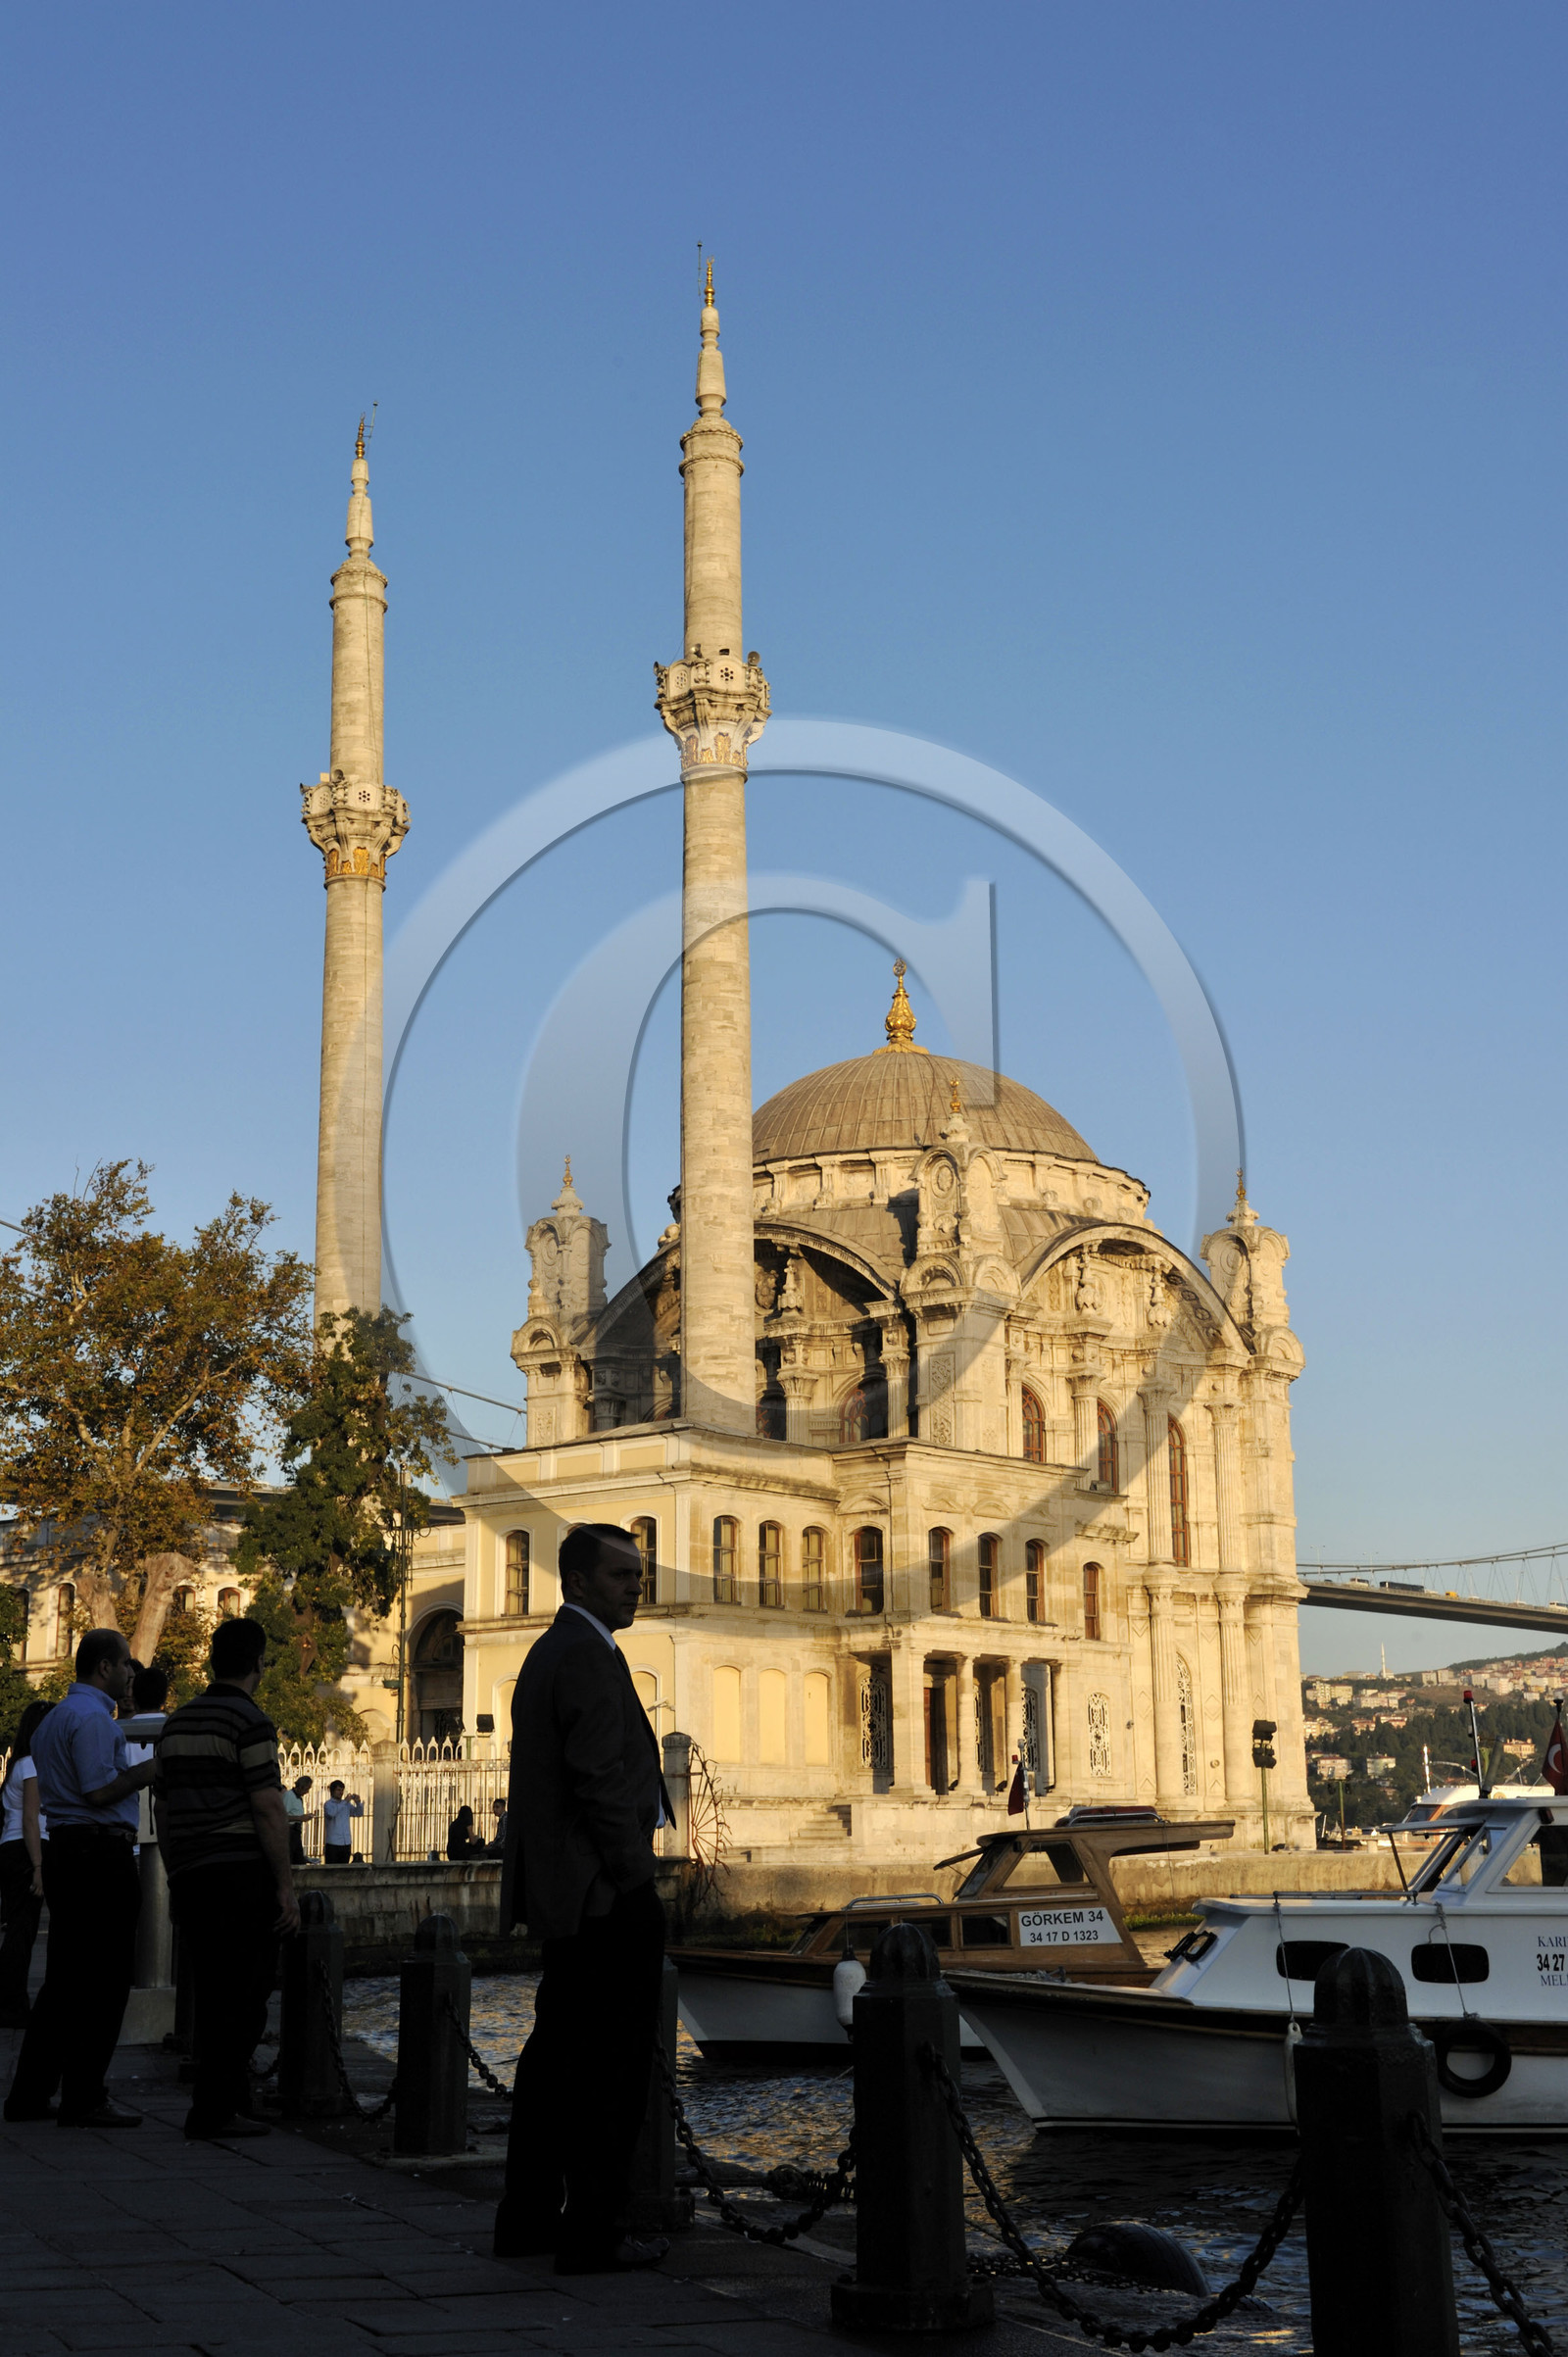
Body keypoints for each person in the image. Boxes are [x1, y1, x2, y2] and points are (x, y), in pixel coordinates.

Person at [495, 1523, 670, 2273]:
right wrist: (637, 1879)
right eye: (621, 1574)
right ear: (577, 1581)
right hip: (602, 1892)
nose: (637, 1584)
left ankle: (528, 2216)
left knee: (555, 2060)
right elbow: (599, 1783)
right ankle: (593, 2229)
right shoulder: (589, 1656)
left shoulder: (549, 1652)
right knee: (609, 2066)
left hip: (567, 1892)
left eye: (638, 1572)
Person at [155, 1616, 300, 2139]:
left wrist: (175, 1873)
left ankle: (232, 2100)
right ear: (260, 1662)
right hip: (239, 1874)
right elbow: (266, 1808)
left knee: (213, 1992)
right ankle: (215, 2109)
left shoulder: (177, 1724)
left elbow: (164, 1810)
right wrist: (285, 1887)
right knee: (245, 1995)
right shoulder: (250, 1723)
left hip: (193, 1873)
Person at [4, 1628, 157, 2127]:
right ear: (105, 1668)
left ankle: (30, 2092)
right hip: (98, 1852)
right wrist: (148, 1772)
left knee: (65, 1980)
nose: (132, 1673)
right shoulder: (92, 1719)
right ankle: (84, 2093)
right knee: (107, 1978)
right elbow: (98, 1791)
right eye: (126, 1664)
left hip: (68, 1849)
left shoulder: (52, 1720)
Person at [0, 1700, 53, 2026]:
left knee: (20, 1931)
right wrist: (38, 1866)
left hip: (13, 1849)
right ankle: (12, 2005)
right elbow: (31, 1819)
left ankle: (12, 2001)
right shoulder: (32, 1765)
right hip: (25, 1851)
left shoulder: (19, 1764)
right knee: (22, 1932)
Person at [320, 1779, 364, 1862]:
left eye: (342, 1790)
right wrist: (345, 1802)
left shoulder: (346, 1805)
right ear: (332, 1791)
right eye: (338, 1790)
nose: (340, 1792)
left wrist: (358, 1803)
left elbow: (358, 1813)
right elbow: (331, 1814)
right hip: (333, 1844)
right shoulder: (328, 1804)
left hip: (346, 1843)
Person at [282, 1774, 313, 1865]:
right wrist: (300, 1818)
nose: (307, 1792)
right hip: (290, 1831)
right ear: (300, 1787)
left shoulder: (299, 1799)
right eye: (306, 1789)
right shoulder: (289, 1796)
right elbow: (283, 1816)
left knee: (299, 1859)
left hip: (296, 1831)